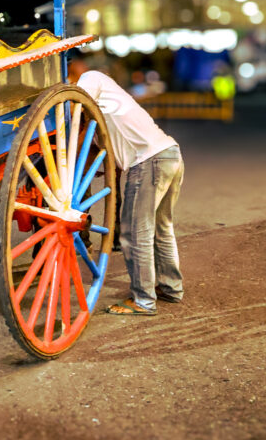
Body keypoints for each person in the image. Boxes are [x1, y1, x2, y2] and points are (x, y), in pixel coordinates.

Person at [67, 49, 186, 315]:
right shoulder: (106, 108)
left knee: (135, 233)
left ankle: (143, 301)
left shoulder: (90, 78)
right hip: (170, 153)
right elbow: (92, 152)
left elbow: (75, 107)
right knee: (162, 228)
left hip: (148, 163)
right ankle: (171, 288)